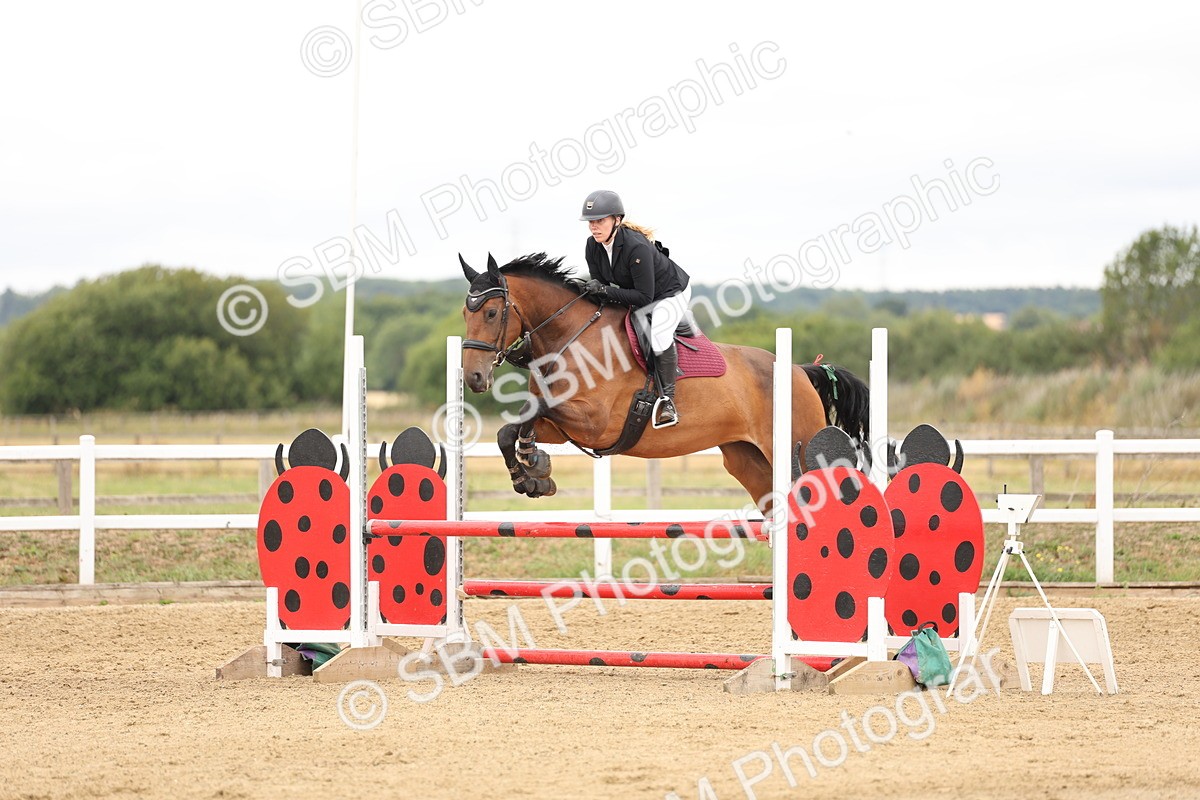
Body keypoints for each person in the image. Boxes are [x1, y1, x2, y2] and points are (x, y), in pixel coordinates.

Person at [579, 189, 691, 428]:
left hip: (670, 293)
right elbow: (601, 285)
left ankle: (667, 401)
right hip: (639, 293)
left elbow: (643, 297)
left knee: (659, 334)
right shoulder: (592, 245)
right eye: (590, 222)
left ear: (616, 220)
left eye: (600, 221)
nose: (594, 227)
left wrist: (603, 290)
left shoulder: (635, 247)